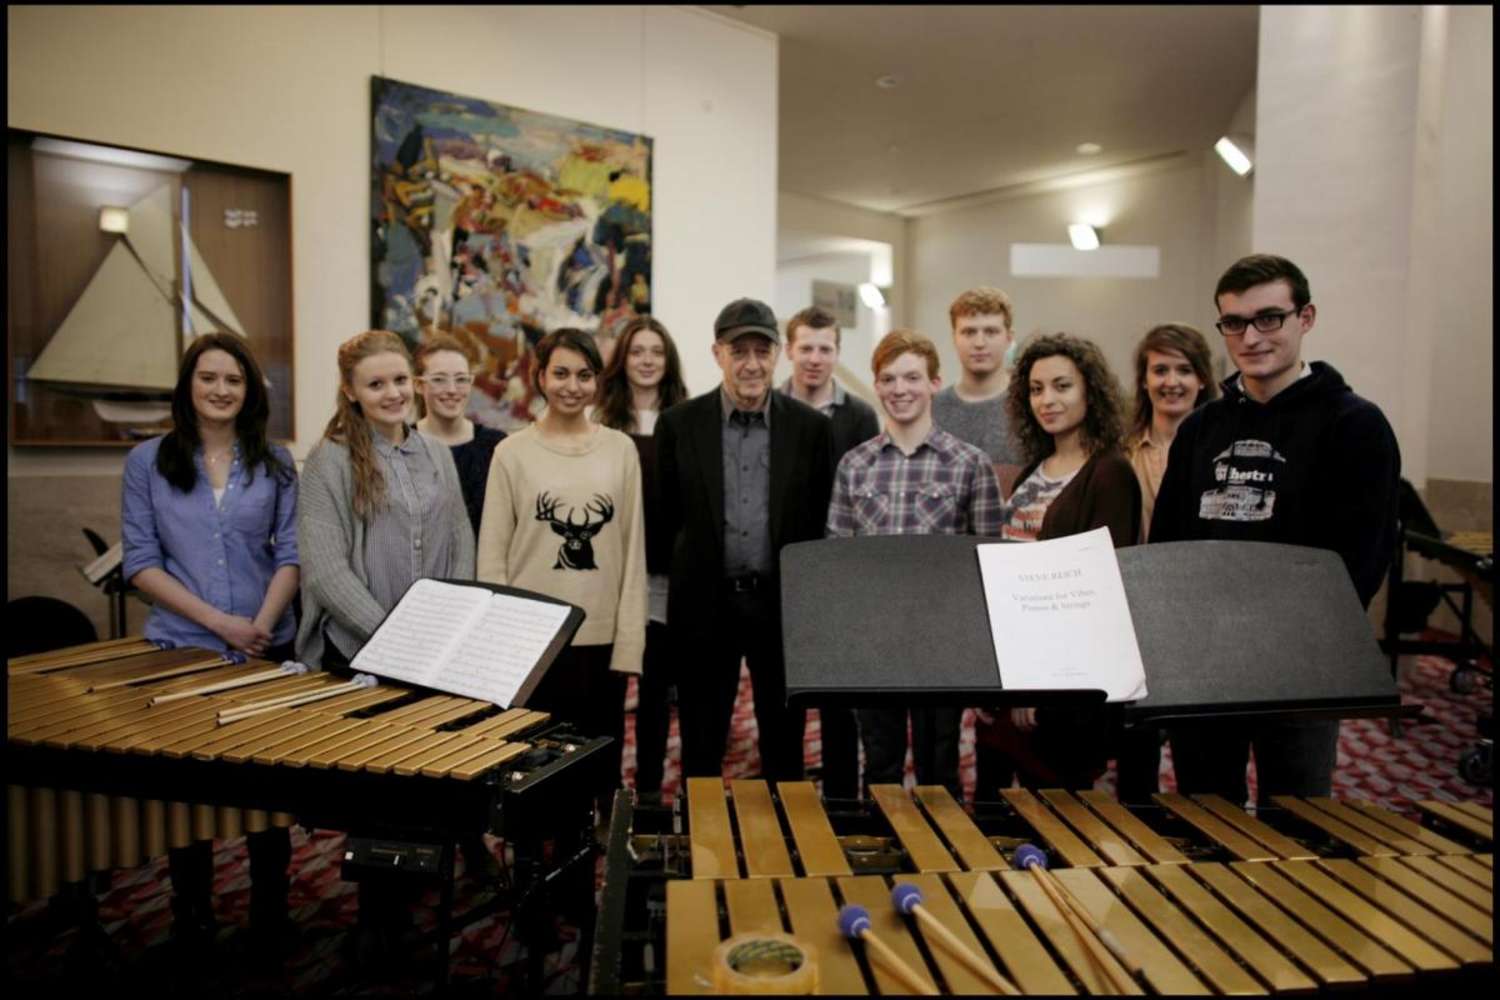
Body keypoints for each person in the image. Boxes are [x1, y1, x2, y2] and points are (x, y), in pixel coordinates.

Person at [1151, 253, 1401, 808]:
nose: (1251, 336)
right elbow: (1166, 544)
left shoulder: (1355, 424)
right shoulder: (1201, 427)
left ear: (1305, 318)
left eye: (1269, 318)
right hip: (1206, 663)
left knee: (1299, 822)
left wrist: (1282, 638)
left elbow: (1361, 559)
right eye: (1235, 322)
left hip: (1300, 666)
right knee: (1206, 818)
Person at [296, 330, 474, 959]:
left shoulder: (438, 455)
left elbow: (460, 547)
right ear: (351, 392)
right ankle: (374, 922)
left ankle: (414, 913)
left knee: (423, 788)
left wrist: (449, 632)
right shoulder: (327, 462)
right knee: (374, 796)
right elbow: (324, 570)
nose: (393, 393)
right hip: (361, 653)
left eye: (401, 380)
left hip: (431, 651)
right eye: (377, 384)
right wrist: (395, 640)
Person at [120, 331, 299, 947]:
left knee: (266, 798)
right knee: (188, 798)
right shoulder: (146, 462)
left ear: (249, 391)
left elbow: (291, 554)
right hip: (182, 649)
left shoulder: (275, 461)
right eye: (209, 378)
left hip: (263, 648)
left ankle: (270, 913)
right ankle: (191, 912)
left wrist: (263, 624)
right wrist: (219, 624)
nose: (221, 390)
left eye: (234, 380)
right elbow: (141, 562)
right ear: (188, 386)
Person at [657, 298, 834, 783]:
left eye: (762, 350)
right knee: (701, 740)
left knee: (783, 741)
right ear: (717, 353)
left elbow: (818, 523)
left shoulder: (813, 430)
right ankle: (704, 847)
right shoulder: (678, 426)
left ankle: (786, 841)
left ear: (777, 354)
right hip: (704, 608)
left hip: (778, 608)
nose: (752, 364)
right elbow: (667, 519)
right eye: (740, 351)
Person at [825, 330, 1004, 798]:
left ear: (934, 384)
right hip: (874, 641)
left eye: (912, 377)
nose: (900, 389)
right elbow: (837, 561)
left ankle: (944, 864)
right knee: (879, 768)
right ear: (877, 386)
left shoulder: (970, 464)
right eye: (888, 378)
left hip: (941, 642)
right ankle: (880, 864)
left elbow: (991, 566)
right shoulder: (854, 465)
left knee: (939, 770)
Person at [480, 328, 647, 822]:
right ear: (539, 378)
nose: (572, 386)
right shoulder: (511, 453)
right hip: (533, 644)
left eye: (584, 375)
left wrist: (629, 643)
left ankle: (586, 890)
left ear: (597, 381)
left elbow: (633, 551)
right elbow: (493, 556)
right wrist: (501, 647)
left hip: (601, 645)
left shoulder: (620, 450)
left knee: (598, 774)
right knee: (536, 774)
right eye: (561, 374)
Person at [974, 333, 1140, 796]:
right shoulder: (1034, 470)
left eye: (1062, 386)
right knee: (993, 812)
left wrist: (1040, 688)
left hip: (1061, 688)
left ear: (1091, 390)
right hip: (1010, 670)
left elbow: (1093, 597)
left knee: (1055, 817)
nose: (1047, 400)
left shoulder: (1109, 474)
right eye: (1036, 389)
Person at [778, 305, 880, 800]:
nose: (815, 358)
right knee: (789, 695)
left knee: (841, 700)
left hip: (841, 573)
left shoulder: (859, 415)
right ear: (789, 350)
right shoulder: (772, 406)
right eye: (806, 348)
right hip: (788, 568)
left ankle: (842, 796)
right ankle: (792, 793)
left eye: (825, 349)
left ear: (837, 353)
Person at [594, 315, 689, 805]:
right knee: (608, 697)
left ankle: (650, 792)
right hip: (613, 577)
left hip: (665, 580)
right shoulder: (601, 424)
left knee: (656, 695)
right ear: (622, 361)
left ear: (667, 359)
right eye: (637, 351)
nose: (647, 360)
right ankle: (605, 794)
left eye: (656, 351)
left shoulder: (687, 418)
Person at [1125, 324, 1219, 542]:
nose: (1172, 382)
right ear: (1144, 381)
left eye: (1185, 370)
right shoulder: (1123, 453)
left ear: (1202, 379)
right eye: (1160, 371)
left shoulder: (1222, 452)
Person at [931, 287, 1025, 496]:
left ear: (1009, 338)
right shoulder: (932, 409)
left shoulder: (1031, 405)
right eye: (969, 332)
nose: (980, 343)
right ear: (954, 337)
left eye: (991, 332)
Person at [413, 330, 507, 538]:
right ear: (419, 385)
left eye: (461, 379)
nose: (452, 390)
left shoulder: (497, 446)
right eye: (439, 379)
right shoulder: (399, 445)